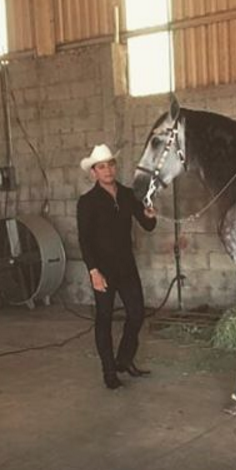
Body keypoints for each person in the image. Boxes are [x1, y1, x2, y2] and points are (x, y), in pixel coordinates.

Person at [77, 144, 157, 390]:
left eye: (110, 165)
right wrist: (93, 271)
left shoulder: (127, 194)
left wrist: (150, 215)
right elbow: (84, 239)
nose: (108, 170)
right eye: (101, 167)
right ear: (94, 173)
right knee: (104, 318)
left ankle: (124, 359)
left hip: (126, 266)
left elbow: (147, 226)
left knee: (136, 314)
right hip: (102, 270)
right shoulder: (87, 202)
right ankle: (109, 371)